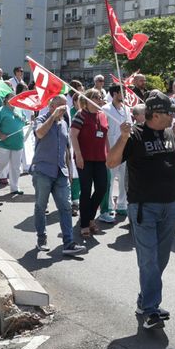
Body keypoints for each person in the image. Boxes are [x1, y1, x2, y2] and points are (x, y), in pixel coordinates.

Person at [109, 93, 175, 329]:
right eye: (170, 112)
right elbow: (111, 162)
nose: (174, 116)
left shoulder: (171, 134)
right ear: (155, 115)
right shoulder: (134, 135)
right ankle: (150, 310)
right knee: (149, 260)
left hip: (170, 206)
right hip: (143, 207)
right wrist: (122, 138)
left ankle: (145, 300)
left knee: (161, 259)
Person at [30, 95, 81, 254]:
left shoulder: (64, 123)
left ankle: (68, 243)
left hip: (61, 172)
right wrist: (52, 117)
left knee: (66, 207)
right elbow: (39, 133)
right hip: (43, 171)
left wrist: (70, 171)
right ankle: (41, 238)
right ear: (51, 106)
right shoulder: (41, 119)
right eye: (61, 106)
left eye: (65, 106)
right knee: (41, 206)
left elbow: (67, 150)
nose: (64, 109)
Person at [71, 90, 111, 239]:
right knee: (86, 190)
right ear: (87, 100)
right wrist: (78, 155)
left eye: (100, 97)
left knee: (102, 188)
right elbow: (73, 135)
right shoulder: (80, 115)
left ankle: (89, 217)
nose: (99, 99)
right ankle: (84, 225)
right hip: (85, 159)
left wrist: (109, 154)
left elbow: (105, 136)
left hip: (100, 158)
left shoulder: (103, 115)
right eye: (96, 97)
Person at [99, 84, 131, 223]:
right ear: (115, 94)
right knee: (110, 179)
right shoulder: (106, 109)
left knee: (124, 179)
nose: (125, 95)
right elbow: (103, 130)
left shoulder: (126, 109)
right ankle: (109, 206)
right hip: (111, 149)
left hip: (125, 149)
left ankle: (122, 205)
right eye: (122, 92)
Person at [0, 96, 29, 199]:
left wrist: (28, 123)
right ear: (6, 99)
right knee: (1, 164)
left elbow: (25, 121)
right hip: (4, 144)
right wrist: (0, 134)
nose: (13, 100)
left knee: (16, 167)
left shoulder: (20, 109)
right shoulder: (0, 111)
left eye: (15, 98)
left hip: (18, 143)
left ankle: (14, 187)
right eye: (11, 98)